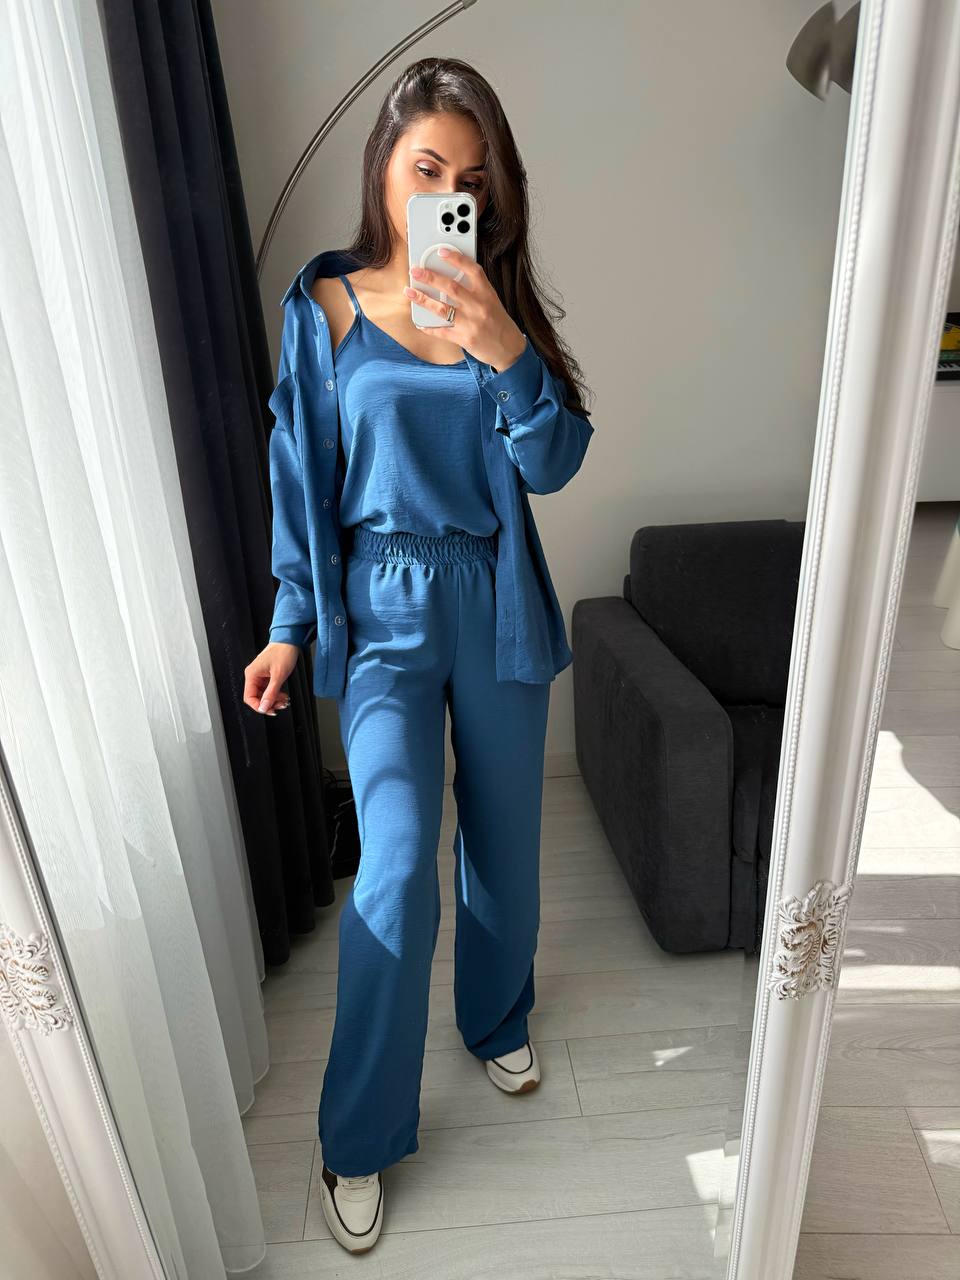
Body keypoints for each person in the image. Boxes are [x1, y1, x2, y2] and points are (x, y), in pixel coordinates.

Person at [244, 55, 594, 1255]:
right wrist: (290, 622)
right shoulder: (326, 303)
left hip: (494, 598)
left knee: (503, 845)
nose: (451, 194)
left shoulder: (497, 305)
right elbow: (300, 478)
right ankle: (356, 1132)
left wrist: (505, 346)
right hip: (383, 605)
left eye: (473, 179)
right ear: (385, 170)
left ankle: (495, 1016)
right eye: (428, 168)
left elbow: (554, 464)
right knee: (393, 868)